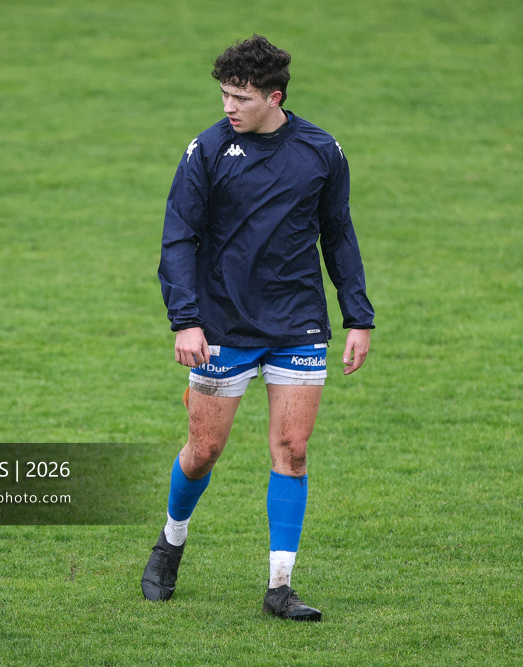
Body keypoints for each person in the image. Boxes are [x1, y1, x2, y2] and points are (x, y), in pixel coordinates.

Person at [143, 35, 374, 621]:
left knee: (292, 451)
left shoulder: (321, 151)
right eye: (223, 94)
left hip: (298, 324)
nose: (228, 107)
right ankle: (170, 542)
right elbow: (177, 238)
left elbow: (339, 233)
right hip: (222, 326)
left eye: (240, 97)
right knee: (203, 451)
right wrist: (186, 320)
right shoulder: (208, 151)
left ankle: (280, 587)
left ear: (275, 97)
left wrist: (358, 316)